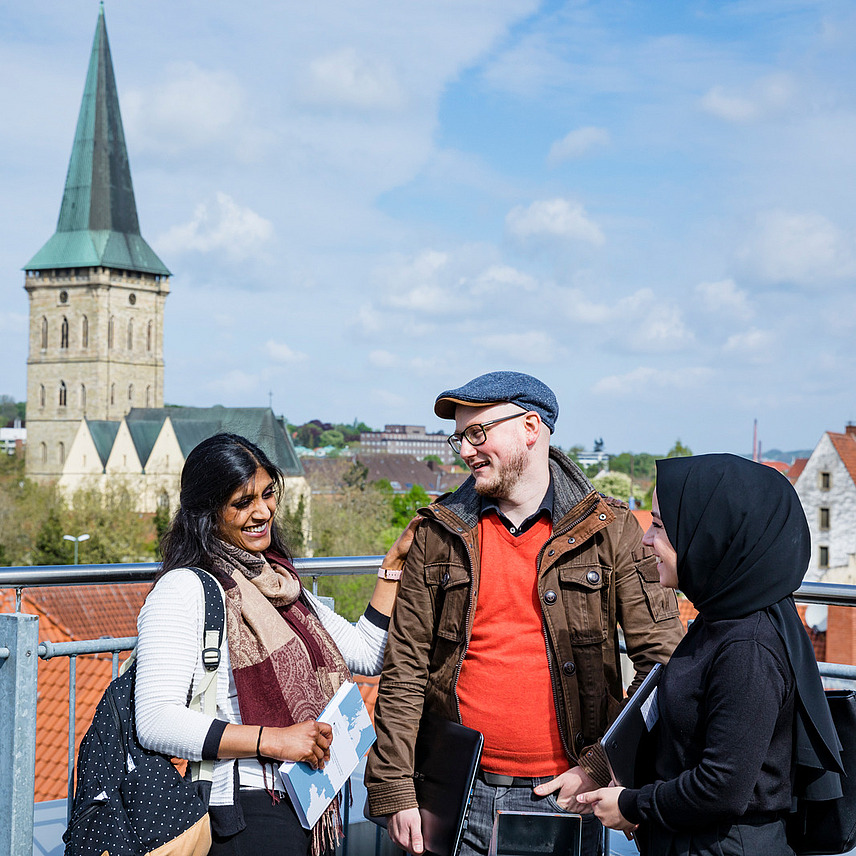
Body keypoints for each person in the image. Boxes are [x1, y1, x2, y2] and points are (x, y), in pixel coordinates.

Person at [364, 371, 685, 856]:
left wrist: (599, 766)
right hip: (455, 794)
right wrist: (395, 788)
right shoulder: (440, 531)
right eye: (460, 439)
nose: (467, 450)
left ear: (531, 427)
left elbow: (661, 666)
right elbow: (404, 669)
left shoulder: (611, 530)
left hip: (566, 795)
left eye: (478, 433)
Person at [134, 433, 414, 856]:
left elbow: (365, 653)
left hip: (303, 800)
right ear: (207, 511)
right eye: (242, 502)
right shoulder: (184, 589)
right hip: (243, 810)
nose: (262, 511)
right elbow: (156, 721)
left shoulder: (278, 582)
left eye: (268, 494)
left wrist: (392, 566)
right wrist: (274, 740)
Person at [578, 453, 843, 855]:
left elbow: (722, 787)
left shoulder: (748, 647)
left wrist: (634, 805)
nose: (648, 539)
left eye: (662, 527)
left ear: (712, 536)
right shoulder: (719, 618)